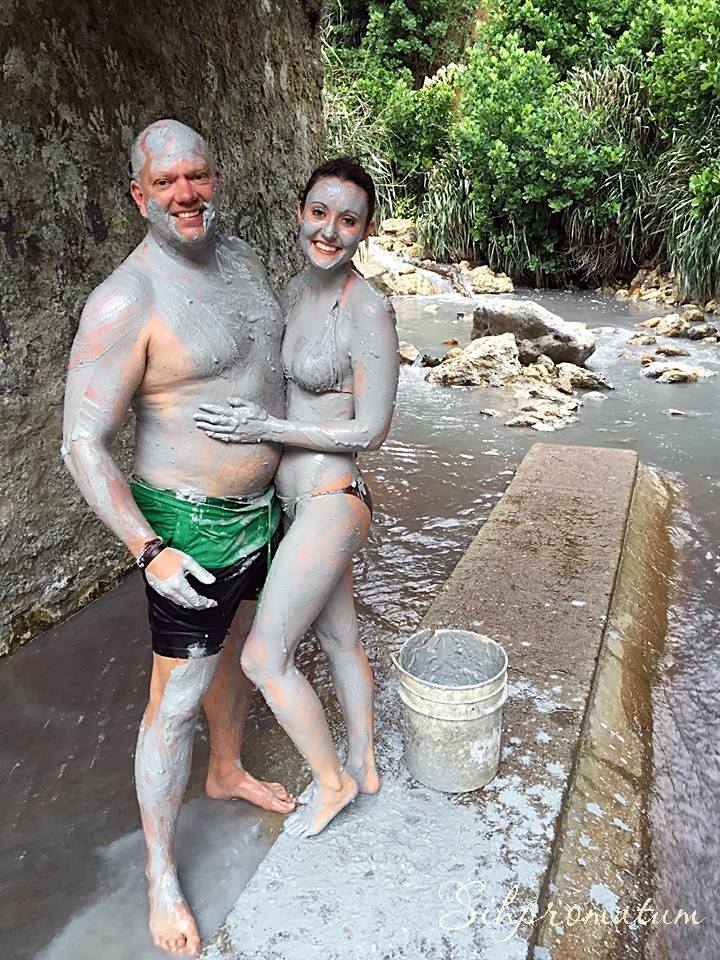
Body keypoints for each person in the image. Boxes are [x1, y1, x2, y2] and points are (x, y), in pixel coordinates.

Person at [62, 119, 296, 956]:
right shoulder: (127, 298)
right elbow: (81, 440)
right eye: (166, 183)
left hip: (269, 505)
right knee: (176, 699)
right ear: (139, 195)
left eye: (197, 176)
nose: (186, 195)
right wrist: (147, 549)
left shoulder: (242, 260)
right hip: (187, 523)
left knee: (241, 650)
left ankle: (226, 769)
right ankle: (162, 873)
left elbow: (273, 367)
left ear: (216, 177)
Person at [194, 157, 400, 838]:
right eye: (320, 213)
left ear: (365, 230)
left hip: (335, 497)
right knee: (341, 636)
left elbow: (371, 428)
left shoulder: (368, 309)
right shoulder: (290, 293)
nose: (330, 231)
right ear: (300, 212)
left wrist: (270, 429)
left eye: (347, 221)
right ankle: (366, 764)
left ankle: (333, 782)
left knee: (261, 656)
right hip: (293, 504)